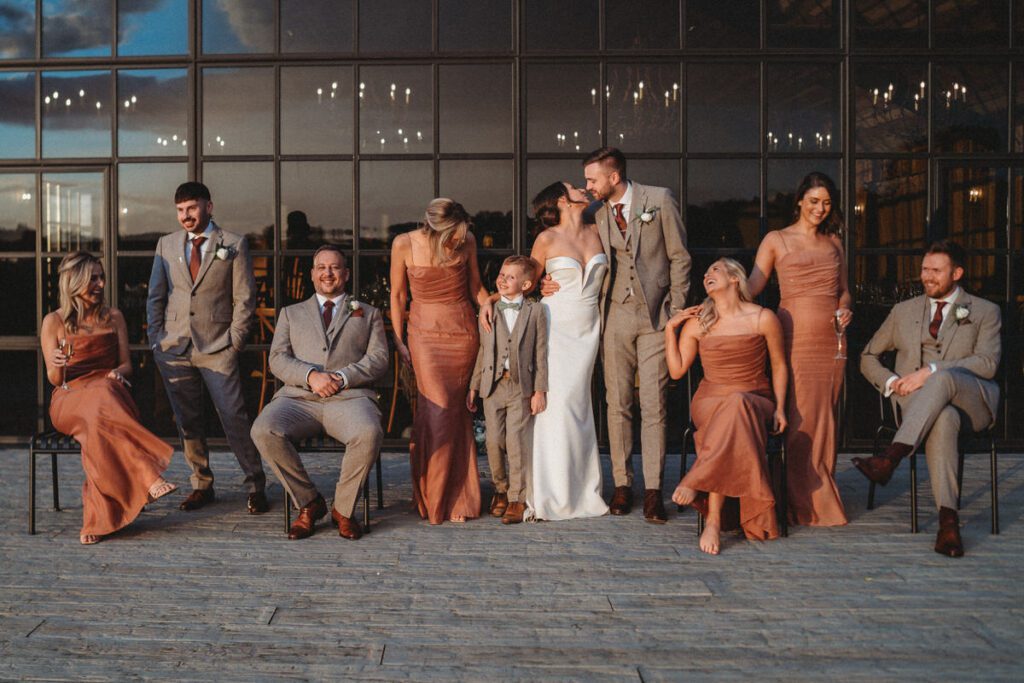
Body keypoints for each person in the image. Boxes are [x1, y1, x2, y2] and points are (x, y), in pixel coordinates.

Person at [855, 240, 1001, 557]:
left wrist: (931, 370)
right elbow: (868, 356)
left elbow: (988, 364)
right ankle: (948, 523)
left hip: (972, 401)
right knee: (943, 417)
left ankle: (890, 459)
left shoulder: (985, 311)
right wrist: (892, 382)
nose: (927, 276)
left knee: (944, 378)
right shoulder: (903, 312)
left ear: (957, 272)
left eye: (936, 270)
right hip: (915, 404)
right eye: (924, 269)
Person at [582, 147, 691, 522]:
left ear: (614, 177)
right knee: (617, 404)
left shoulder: (658, 199)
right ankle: (623, 485)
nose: (588, 186)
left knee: (655, 404)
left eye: (592, 179)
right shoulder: (598, 215)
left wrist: (675, 312)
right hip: (615, 316)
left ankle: (653, 490)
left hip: (655, 317)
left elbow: (680, 257)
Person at [250, 245, 389, 540]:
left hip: (349, 398)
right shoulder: (291, 313)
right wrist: (310, 375)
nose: (328, 273)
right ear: (312, 275)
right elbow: (277, 358)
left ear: (346, 274)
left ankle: (343, 509)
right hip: (299, 398)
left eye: (335, 267)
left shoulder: (368, 313)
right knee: (263, 430)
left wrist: (341, 377)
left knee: (368, 432)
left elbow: (378, 360)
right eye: (322, 267)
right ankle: (309, 503)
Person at [146, 181, 268, 514]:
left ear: (208, 207)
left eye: (192, 208)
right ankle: (201, 484)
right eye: (180, 211)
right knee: (187, 419)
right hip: (174, 346)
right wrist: (156, 339)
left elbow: (245, 298)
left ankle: (255, 484)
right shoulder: (166, 244)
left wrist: (235, 341)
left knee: (234, 416)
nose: (185, 216)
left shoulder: (233, 243)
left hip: (218, 347)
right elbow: (156, 295)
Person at [41, 252, 177, 545]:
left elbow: (127, 364)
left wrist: (116, 373)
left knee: (99, 417)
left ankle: (97, 519)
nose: (101, 284)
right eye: (93, 278)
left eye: (101, 277)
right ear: (74, 282)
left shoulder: (114, 316)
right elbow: (55, 380)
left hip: (108, 393)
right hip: (69, 397)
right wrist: (58, 364)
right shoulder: (53, 322)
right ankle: (147, 474)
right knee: (97, 408)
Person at [747, 171, 850, 527]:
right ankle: (803, 500)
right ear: (799, 202)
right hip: (794, 336)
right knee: (801, 416)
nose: (820, 209)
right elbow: (753, 286)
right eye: (814, 202)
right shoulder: (776, 240)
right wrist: (721, 299)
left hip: (832, 340)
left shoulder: (835, 243)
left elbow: (844, 289)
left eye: (826, 203)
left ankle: (822, 490)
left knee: (826, 417)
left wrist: (846, 308)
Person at [666, 258, 788, 555]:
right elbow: (677, 371)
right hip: (710, 401)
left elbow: (779, 365)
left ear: (735, 278)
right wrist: (671, 328)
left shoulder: (763, 317)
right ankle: (712, 513)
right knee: (731, 408)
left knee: (737, 405)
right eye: (706, 272)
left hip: (754, 397)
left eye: (715, 269)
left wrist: (781, 408)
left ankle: (711, 511)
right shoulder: (698, 322)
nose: (707, 274)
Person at [390, 198, 494, 524]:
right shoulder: (404, 243)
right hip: (423, 335)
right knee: (437, 412)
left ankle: (459, 497)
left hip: (462, 332)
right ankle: (434, 497)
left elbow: (475, 286)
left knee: (457, 413)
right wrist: (399, 339)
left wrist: (488, 303)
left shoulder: (468, 241)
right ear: (436, 225)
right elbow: (397, 296)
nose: (459, 238)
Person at [528, 182, 610, 521]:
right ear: (562, 200)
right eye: (575, 187)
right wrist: (540, 284)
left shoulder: (600, 229)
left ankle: (584, 490)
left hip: (590, 326)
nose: (583, 189)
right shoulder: (547, 238)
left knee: (580, 405)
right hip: (557, 324)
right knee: (556, 405)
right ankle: (551, 492)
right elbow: (526, 280)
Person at [467, 255, 548, 525]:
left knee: (516, 443)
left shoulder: (535, 311)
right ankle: (500, 490)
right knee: (492, 442)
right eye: (501, 274)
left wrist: (540, 390)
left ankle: (517, 497)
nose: (502, 280)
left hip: (520, 386)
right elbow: (483, 351)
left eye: (510, 277)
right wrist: (474, 385)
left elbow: (540, 353)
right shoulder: (489, 311)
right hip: (492, 386)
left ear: (525, 285)